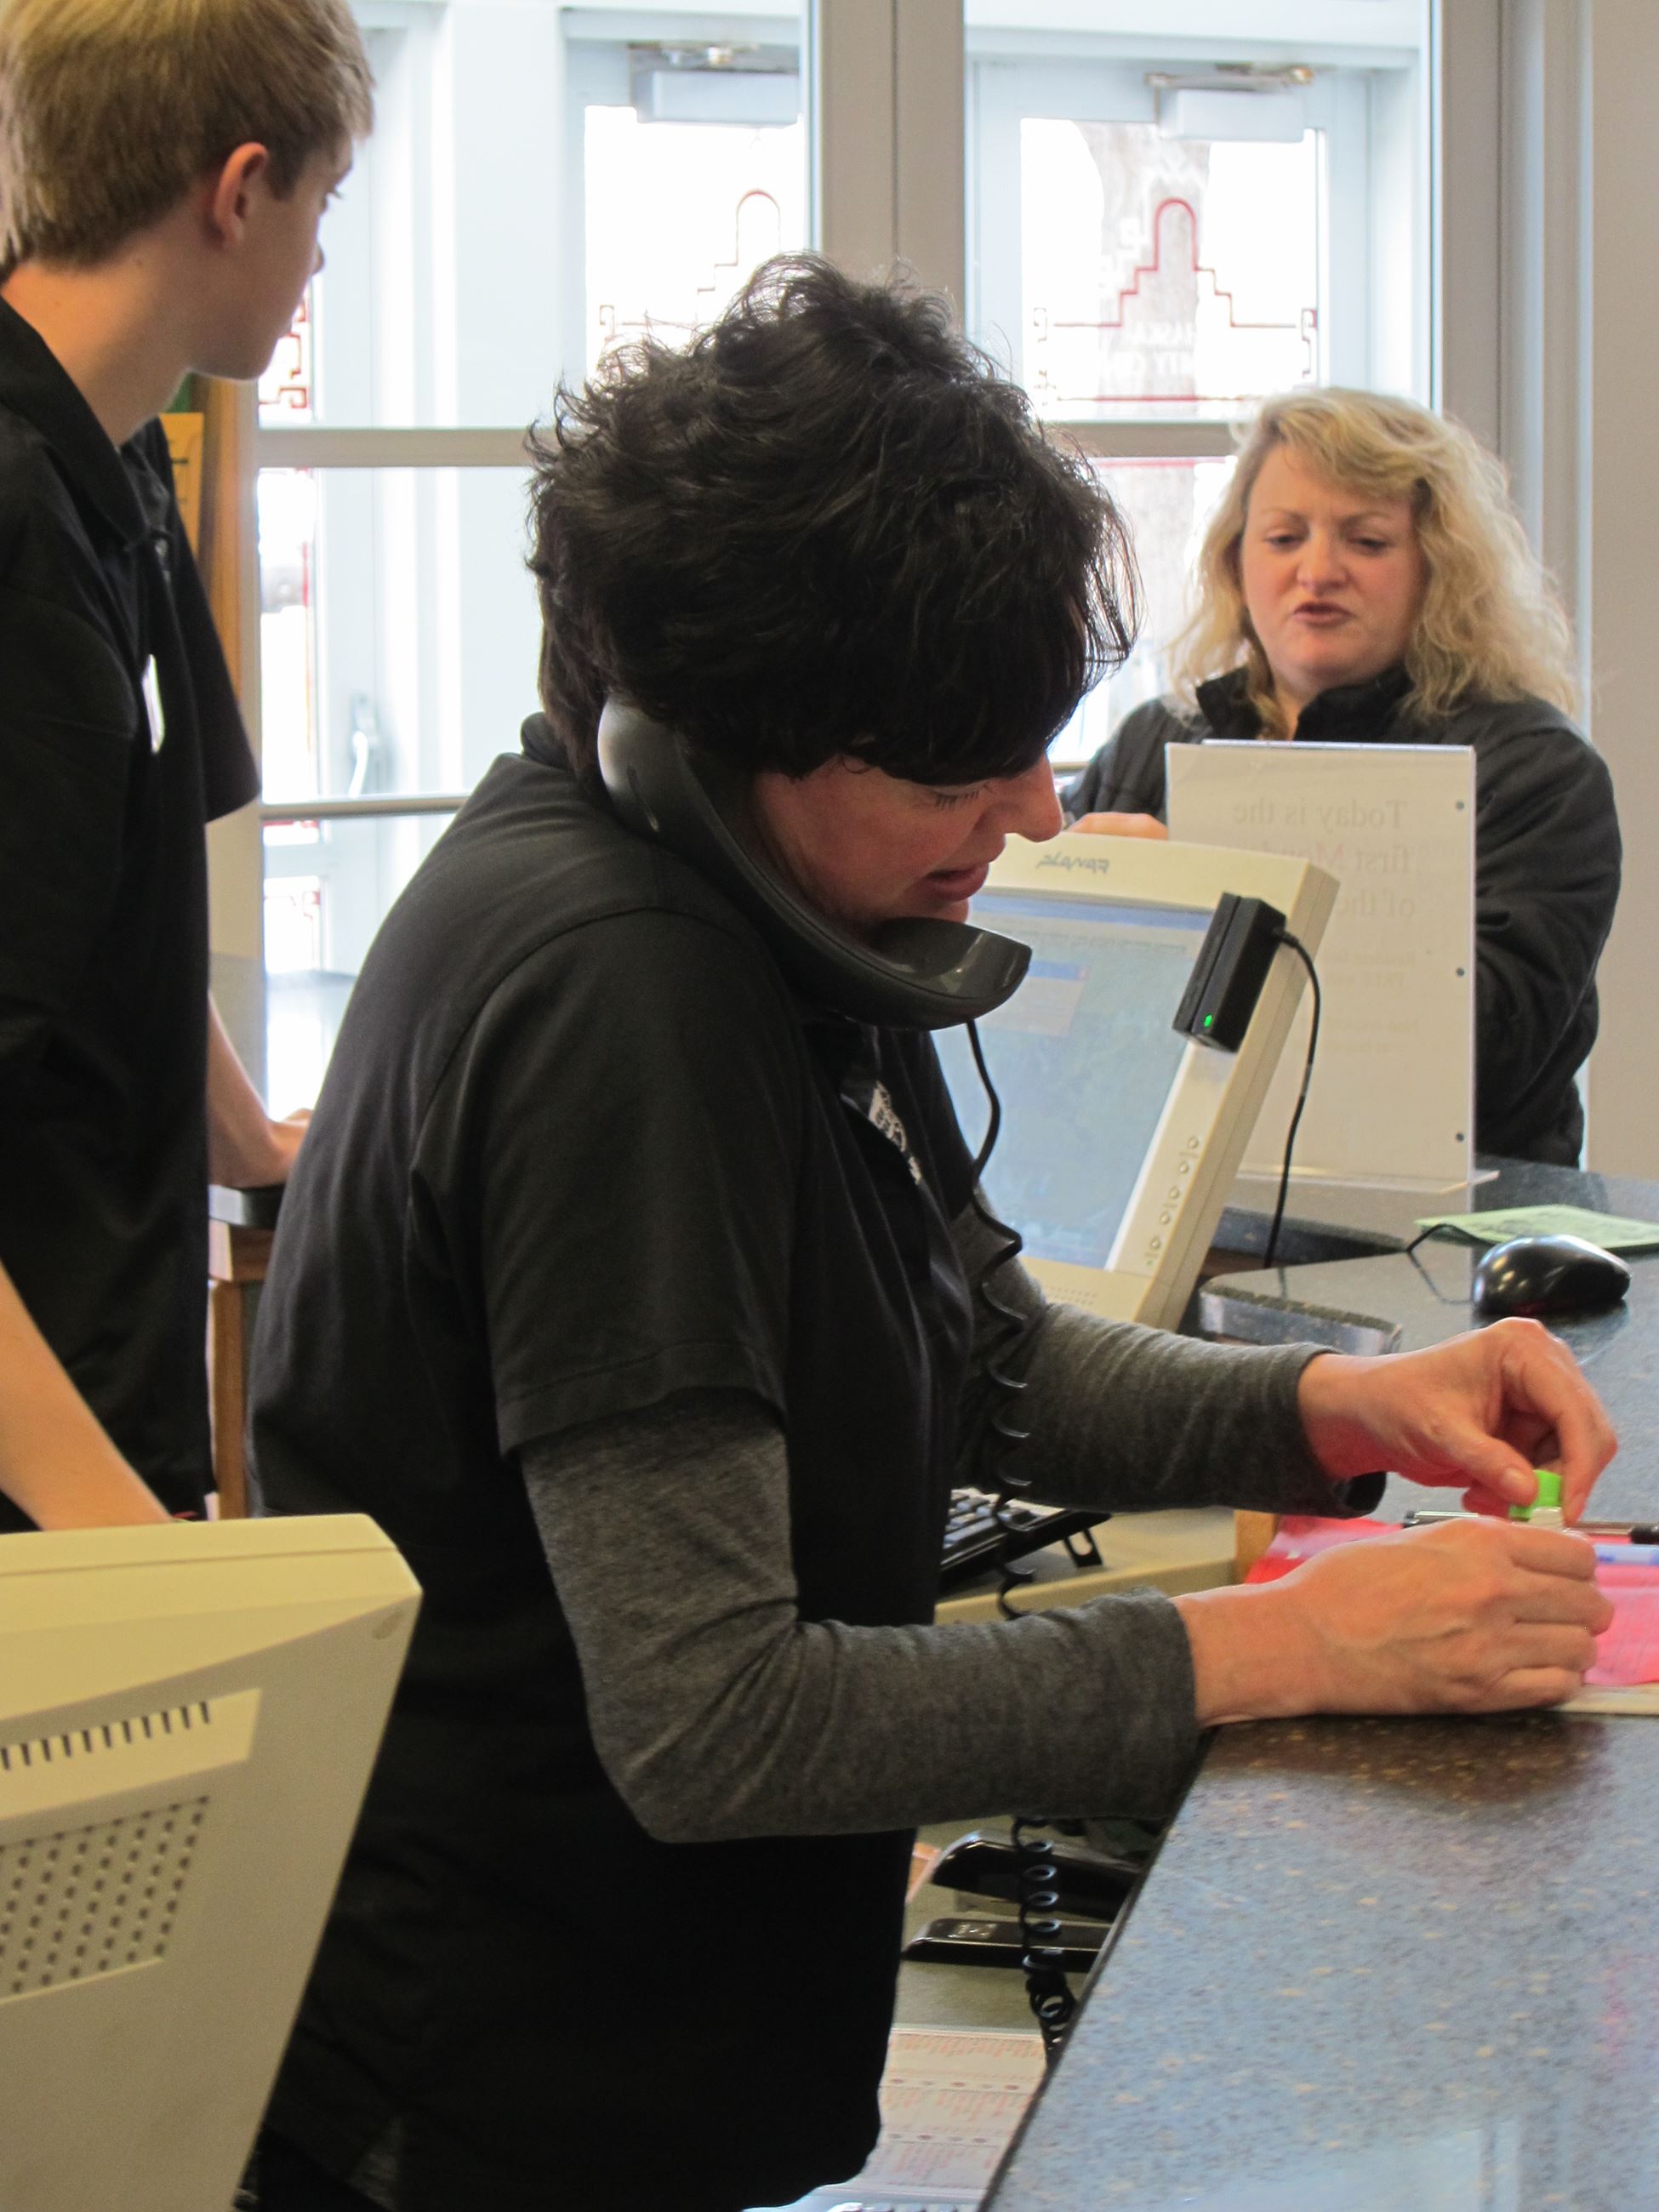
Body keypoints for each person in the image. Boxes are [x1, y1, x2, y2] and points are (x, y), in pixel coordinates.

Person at [248, 262, 1616, 2212]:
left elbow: (978, 1349)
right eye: (961, 766)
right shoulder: (618, 1002)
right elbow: (716, 1718)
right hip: (493, 2090)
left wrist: (1330, 1404)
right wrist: (1279, 1644)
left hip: (635, 2047)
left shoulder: (770, 906)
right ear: (739, 732)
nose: (1037, 810)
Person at [0, 0, 373, 1530]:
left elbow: (121, 907)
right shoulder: (16, 539)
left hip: (116, 1369)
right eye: (321, 205)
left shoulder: (127, 457)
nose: (318, 260)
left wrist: (250, 1133)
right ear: (238, 190)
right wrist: (127, 1542)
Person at [1065, 386, 1621, 1166]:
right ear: (1235, 560)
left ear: (1437, 567)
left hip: (1439, 1220)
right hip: (1166, 1193)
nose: (1319, 571)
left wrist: (1185, 935)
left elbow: (1484, 1057)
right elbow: (1052, 1014)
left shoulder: (1537, 772)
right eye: (1284, 537)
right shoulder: (1150, 742)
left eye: (1366, 541)